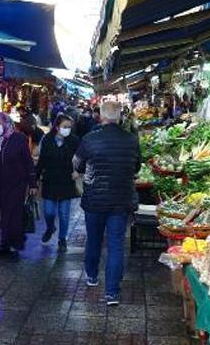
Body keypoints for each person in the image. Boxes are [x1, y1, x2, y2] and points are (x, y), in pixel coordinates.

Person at [73, 101, 141, 306]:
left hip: (94, 199)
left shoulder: (89, 139)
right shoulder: (131, 140)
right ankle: (112, 292)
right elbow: (137, 167)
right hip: (120, 201)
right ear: (119, 117)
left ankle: (92, 276)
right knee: (116, 245)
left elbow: (78, 164)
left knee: (93, 239)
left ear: (101, 116)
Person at [0, 112, 36, 257]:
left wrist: (32, 183)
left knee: (12, 214)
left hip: (15, 183)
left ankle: (11, 244)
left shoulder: (18, 139)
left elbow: (27, 162)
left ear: (6, 123)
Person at [35, 115, 80, 252]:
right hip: (50, 180)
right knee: (48, 212)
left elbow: (81, 157)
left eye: (69, 127)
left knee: (64, 213)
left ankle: (62, 239)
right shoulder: (47, 140)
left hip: (67, 181)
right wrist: (34, 178)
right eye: (64, 127)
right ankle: (50, 227)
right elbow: (42, 160)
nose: (67, 130)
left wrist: (78, 171)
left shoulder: (74, 140)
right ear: (57, 127)